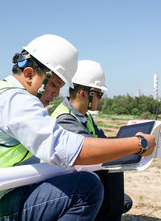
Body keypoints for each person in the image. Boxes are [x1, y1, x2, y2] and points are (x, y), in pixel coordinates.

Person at [0, 34, 156, 221]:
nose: (56, 94)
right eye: (54, 85)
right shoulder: (15, 100)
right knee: (86, 187)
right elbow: (66, 149)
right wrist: (139, 144)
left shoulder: (0, 91)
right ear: (29, 74)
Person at [52, 60, 132, 221]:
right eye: (99, 94)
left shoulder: (84, 116)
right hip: (65, 183)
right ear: (83, 94)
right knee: (112, 170)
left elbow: (102, 141)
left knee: (124, 201)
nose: (100, 99)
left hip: (80, 177)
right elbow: (89, 152)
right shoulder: (65, 119)